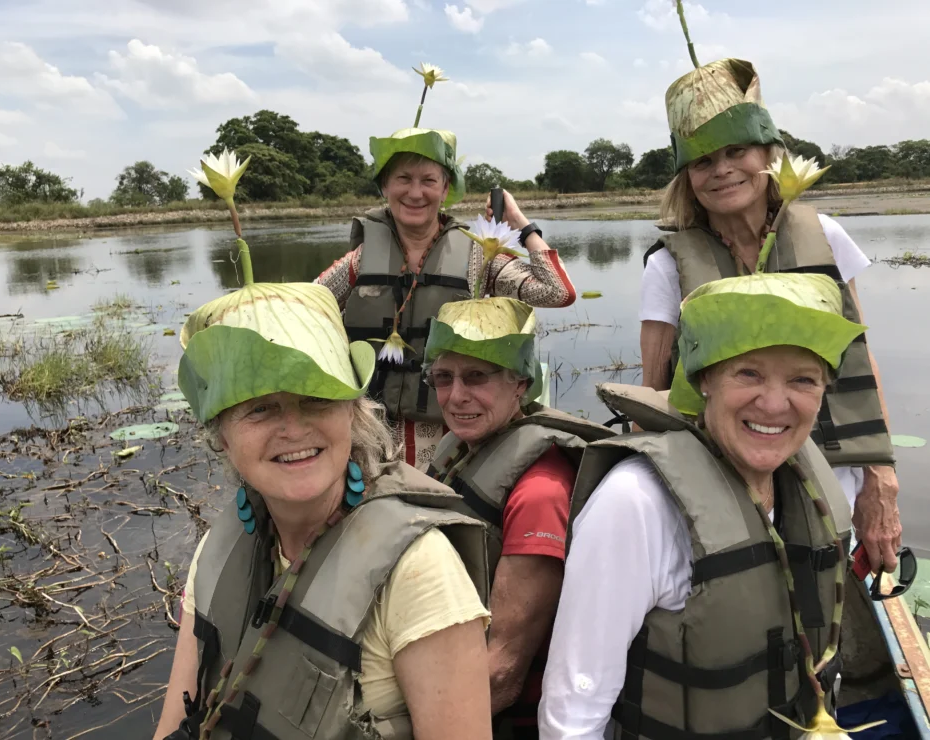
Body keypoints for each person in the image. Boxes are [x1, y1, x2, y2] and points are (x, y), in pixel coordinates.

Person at [153, 281, 493, 740]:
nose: (293, 428)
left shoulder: (421, 572)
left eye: (317, 398)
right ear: (223, 437)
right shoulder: (218, 551)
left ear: (352, 415)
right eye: (259, 408)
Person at [540, 273, 865, 738]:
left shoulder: (809, 487)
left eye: (802, 380)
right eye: (748, 373)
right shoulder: (637, 503)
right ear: (705, 378)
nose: (775, 403)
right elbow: (574, 707)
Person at [638, 49, 901, 571]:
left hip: (830, 464)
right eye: (704, 161)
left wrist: (881, 476)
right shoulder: (668, 267)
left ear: (768, 154)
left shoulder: (824, 237)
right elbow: (654, 393)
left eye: (737, 151)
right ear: (685, 176)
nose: (723, 170)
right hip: (723, 473)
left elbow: (856, 361)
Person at [316, 82, 575, 470]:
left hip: (450, 433)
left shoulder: (477, 257)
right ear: (385, 186)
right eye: (403, 179)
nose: (415, 193)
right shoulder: (359, 260)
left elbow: (557, 293)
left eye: (428, 180)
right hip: (370, 431)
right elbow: (306, 309)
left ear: (446, 188)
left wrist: (521, 225)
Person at [422, 297, 612, 739]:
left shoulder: (540, 493)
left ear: (522, 384)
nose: (455, 396)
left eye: (476, 377)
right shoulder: (462, 447)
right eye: (443, 378)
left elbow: (502, 673)